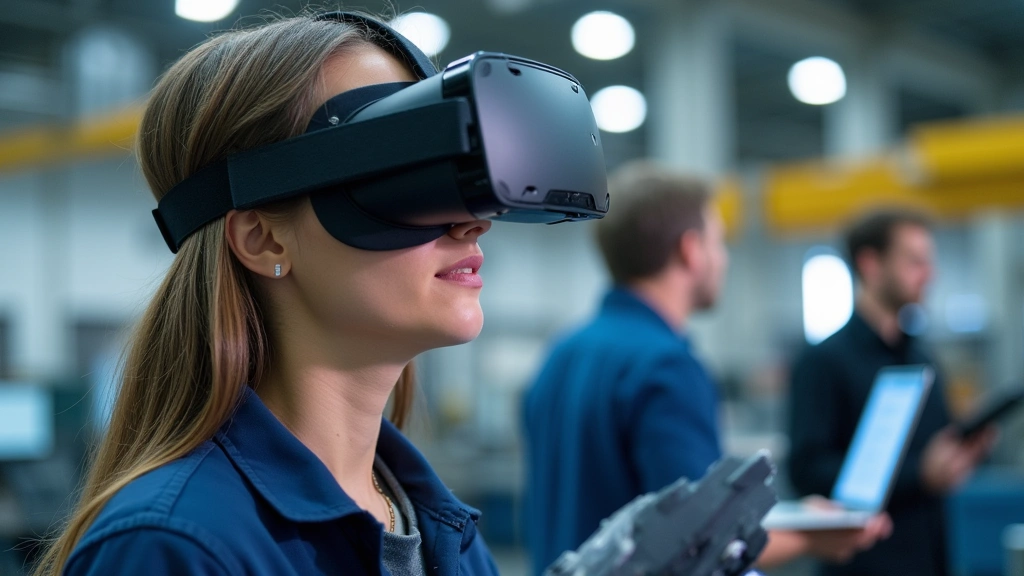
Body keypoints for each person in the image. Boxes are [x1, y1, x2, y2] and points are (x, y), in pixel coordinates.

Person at [33, 13, 503, 576]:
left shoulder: (442, 532)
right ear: (262, 238)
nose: (472, 222)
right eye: (403, 177)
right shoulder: (173, 548)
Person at [522, 161, 891, 576]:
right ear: (691, 250)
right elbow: (701, 542)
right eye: (718, 242)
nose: (723, 258)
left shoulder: (562, 353)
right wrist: (813, 537)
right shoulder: (666, 367)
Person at [787, 210, 997, 576]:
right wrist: (919, 474)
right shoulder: (823, 362)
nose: (928, 274)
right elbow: (808, 471)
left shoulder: (922, 358)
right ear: (870, 264)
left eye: (929, 262)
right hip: (864, 565)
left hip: (929, 556)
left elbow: (935, 449)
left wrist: (965, 451)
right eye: (914, 261)